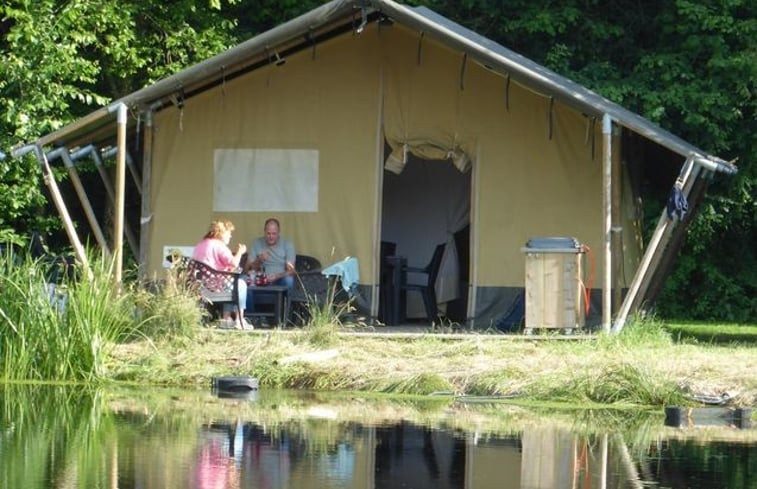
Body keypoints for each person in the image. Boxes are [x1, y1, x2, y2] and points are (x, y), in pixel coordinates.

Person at [193, 220, 251, 329]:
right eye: (229, 234)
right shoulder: (219, 245)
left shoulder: (201, 244)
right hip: (216, 285)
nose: (230, 237)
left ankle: (226, 319)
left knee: (232, 283)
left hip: (202, 285)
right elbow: (234, 263)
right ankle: (239, 320)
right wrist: (240, 252)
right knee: (241, 284)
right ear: (221, 233)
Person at [245, 218, 296, 288]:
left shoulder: (287, 244)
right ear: (264, 232)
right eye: (268, 233)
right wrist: (259, 260)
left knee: (289, 280)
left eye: (274, 234)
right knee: (244, 279)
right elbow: (247, 269)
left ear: (279, 233)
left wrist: (277, 276)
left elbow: (291, 271)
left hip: (280, 279)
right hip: (260, 279)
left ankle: (287, 299)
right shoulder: (257, 243)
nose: (271, 237)